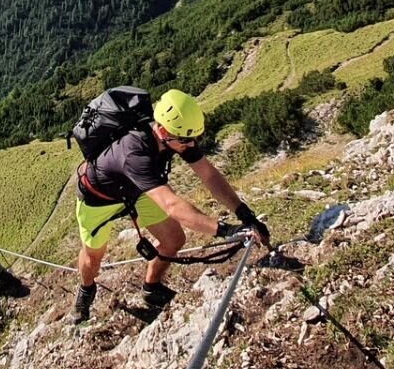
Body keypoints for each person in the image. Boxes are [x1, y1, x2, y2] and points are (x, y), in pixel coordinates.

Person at [70, 89, 269, 323]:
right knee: (93, 258)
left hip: (138, 190)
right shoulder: (135, 153)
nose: (191, 144)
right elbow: (172, 205)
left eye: (194, 138)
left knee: (173, 239)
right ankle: (86, 289)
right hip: (98, 199)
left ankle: (151, 288)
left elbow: (209, 176)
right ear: (163, 131)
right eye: (185, 140)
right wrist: (226, 230)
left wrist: (245, 214)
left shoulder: (178, 137)